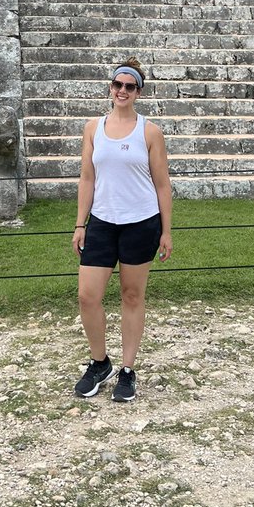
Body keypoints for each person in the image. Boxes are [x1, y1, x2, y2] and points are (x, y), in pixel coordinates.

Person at [71, 57, 173, 402]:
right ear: (110, 88)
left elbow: (162, 185)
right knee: (88, 296)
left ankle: (128, 370)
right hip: (102, 221)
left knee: (132, 295)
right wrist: (80, 223)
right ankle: (100, 362)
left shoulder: (150, 132)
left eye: (130, 86)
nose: (122, 90)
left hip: (141, 222)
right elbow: (87, 178)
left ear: (138, 92)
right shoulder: (93, 128)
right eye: (118, 84)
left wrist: (166, 231)